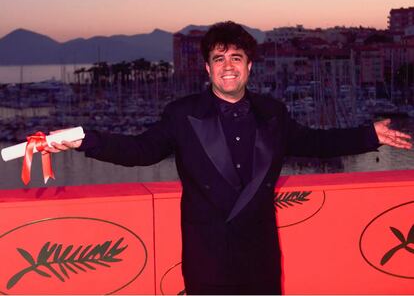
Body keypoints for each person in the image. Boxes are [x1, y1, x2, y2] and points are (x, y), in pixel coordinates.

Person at [45, 21, 412, 295]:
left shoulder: (272, 113)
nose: (228, 65)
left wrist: (369, 134)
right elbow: (140, 151)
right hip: (208, 256)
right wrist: (84, 139)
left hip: (260, 252)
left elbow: (315, 142)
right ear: (207, 68)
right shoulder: (182, 114)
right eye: (218, 58)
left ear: (249, 65)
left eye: (236, 57)